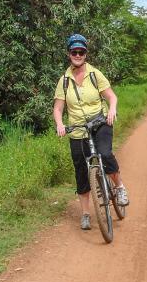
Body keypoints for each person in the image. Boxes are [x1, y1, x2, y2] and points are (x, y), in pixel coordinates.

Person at [53, 34, 129, 230]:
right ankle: (86, 214)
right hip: (78, 129)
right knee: (81, 171)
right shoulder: (64, 81)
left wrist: (112, 109)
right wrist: (60, 124)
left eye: (81, 51)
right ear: (69, 54)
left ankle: (119, 187)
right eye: (74, 52)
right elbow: (58, 108)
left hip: (99, 122)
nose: (77, 54)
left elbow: (111, 97)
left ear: (86, 53)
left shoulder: (95, 74)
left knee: (105, 153)